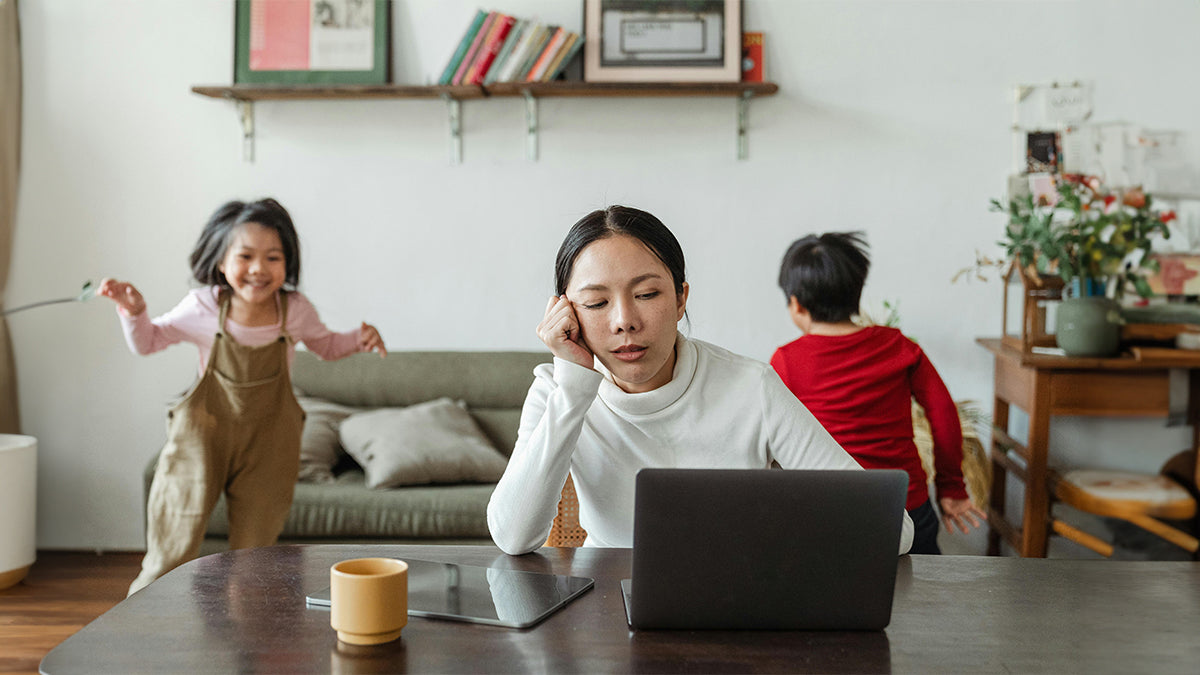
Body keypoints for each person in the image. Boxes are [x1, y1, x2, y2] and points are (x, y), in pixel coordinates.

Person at [486, 206, 913, 556]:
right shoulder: (556, 390)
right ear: (567, 313)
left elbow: (894, 531)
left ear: (680, 299)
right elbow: (513, 536)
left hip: (735, 599)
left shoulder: (751, 387)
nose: (624, 322)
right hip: (605, 606)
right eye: (596, 302)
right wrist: (574, 387)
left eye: (647, 294)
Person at [100, 198, 386, 595]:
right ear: (220, 261)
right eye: (246, 256)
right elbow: (149, 342)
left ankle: (245, 647)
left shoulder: (295, 311)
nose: (258, 269)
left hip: (268, 444)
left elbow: (326, 346)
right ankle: (140, 633)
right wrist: (134, 313)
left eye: (273, 257)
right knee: (171, 548)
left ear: (288, 263)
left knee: (254, 560)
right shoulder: (203, 307)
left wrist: (358, 339)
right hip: (202, 439)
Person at [770, 231, 985, 555]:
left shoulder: (786, 361)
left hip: (830, 513)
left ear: (796, 304)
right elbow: (943, 412)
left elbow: (773, 438)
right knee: (922, 599)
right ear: (856, 293)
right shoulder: (900, 347)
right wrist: (951, 486)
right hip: (906, 507)